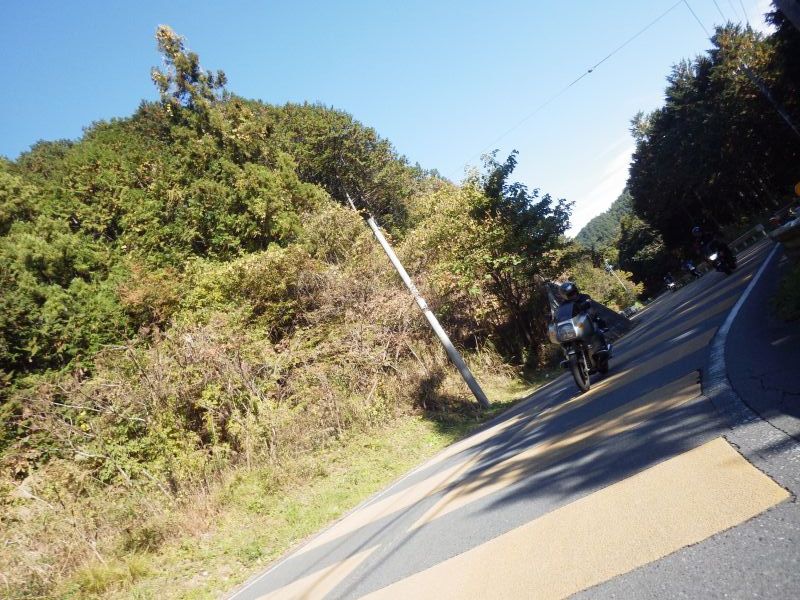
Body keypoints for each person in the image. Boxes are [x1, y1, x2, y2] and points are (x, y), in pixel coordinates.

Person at [559, 281, 609, 350]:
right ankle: (569, 350)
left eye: (574, 292)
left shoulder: (584, 296)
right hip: (574, 324)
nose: (573, 295)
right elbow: (560, 312)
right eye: (570, 294)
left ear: (576, 291)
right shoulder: (563, 305)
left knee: (594, 321)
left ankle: (602, 344)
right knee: (563, 336)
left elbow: (588, 301)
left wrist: (585, 304)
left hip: (586, 320)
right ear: (565, 296)